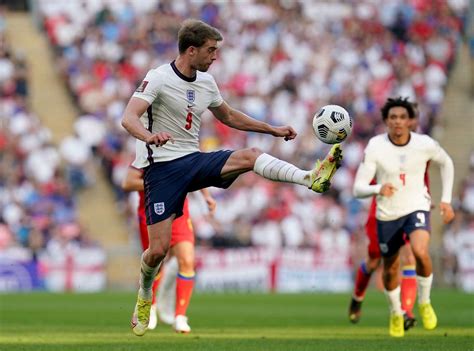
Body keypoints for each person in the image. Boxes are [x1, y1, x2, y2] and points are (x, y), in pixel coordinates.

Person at [121, 19, 343, 337]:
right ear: (192, 49)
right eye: (211, 50)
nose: (215, 56)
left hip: (193, 160)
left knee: (250, 156)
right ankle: (145, 296)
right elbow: (128, 117)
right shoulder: (157, 77)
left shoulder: (207, 83)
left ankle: (310, 177)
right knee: (157, 252)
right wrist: (149, 136)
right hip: (162, 170)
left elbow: (228, 116)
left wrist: (273, 128)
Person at [353, 97, 454, 337]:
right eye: (393, 118)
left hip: (416, 207)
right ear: (386, 122)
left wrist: (446, 200)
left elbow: (447, 162)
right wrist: (379, 189)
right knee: (388, 268)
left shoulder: (424, 144)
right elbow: (358, 188)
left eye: (402, 117)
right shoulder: (376, 147)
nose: (398, 122)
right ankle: (397, 312)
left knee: (419, 251)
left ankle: (424, 302)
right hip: (387, 213)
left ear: (410, 121)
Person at [349, 103, 423, 330]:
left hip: (410, 208)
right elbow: (364, 182)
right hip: (382, 211)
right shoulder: (378, 148)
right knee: (374, 262)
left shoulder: (420, 148)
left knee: (410, 258)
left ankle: (406, 311)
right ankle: (357, 298)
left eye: (407, 118)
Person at [122, 165, 216, 333]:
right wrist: (161, 183)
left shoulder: (182, 150)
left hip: (179, 212)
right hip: (152, 213)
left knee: (187, 260)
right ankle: (151, 307)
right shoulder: (146, 154)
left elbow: (196, 170)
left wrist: (206, 196)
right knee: (156, 260)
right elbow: (128, 183)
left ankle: (180, 317)